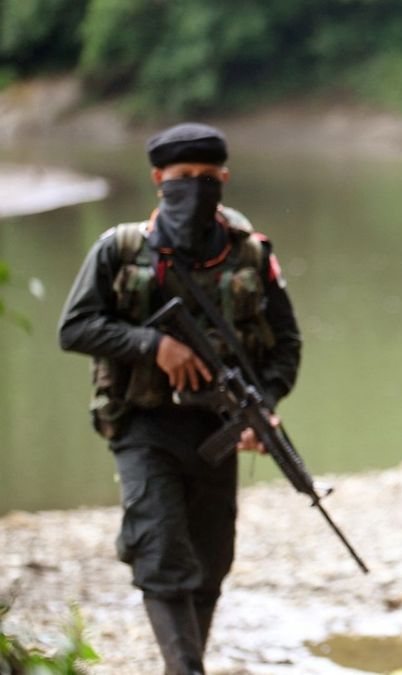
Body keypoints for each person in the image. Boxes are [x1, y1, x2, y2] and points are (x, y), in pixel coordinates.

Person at [58, 123, 301, 675]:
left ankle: (183, 665)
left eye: (205, 178)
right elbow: (75, 328)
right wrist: (152, 345)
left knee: (211, 557)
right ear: (157, 181)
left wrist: (260, 407)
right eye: (181, 178)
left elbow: (286, 345)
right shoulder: (118, 249)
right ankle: (187, 670)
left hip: (218, 426)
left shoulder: (251, 254)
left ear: (224, 180)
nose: (193, 188)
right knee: (160, 549)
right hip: (142, 423)